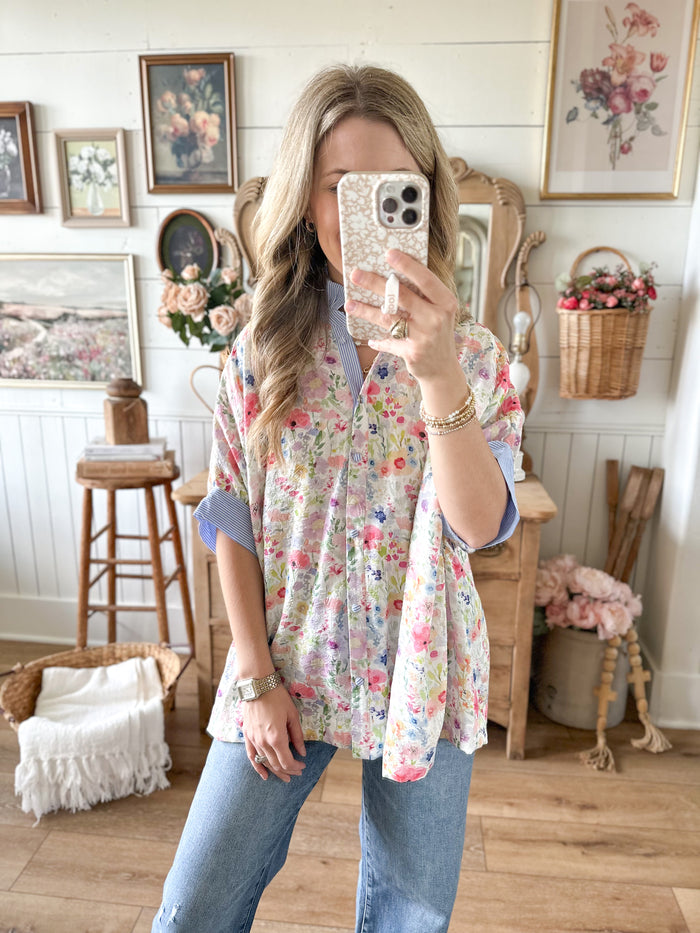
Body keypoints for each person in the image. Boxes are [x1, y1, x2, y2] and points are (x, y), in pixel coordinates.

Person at [153, 63, 523, 933]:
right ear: (304, 199)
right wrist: (253, 677)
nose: (361, 210)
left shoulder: (474, 355)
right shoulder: (260, 349)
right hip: (287, 657)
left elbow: (480, 526)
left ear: (425, 196)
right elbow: (232, 516)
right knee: (194, 906)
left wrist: (438, 375)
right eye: (338, 186)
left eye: (390, 187)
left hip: (423, 670)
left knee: (410, 918)